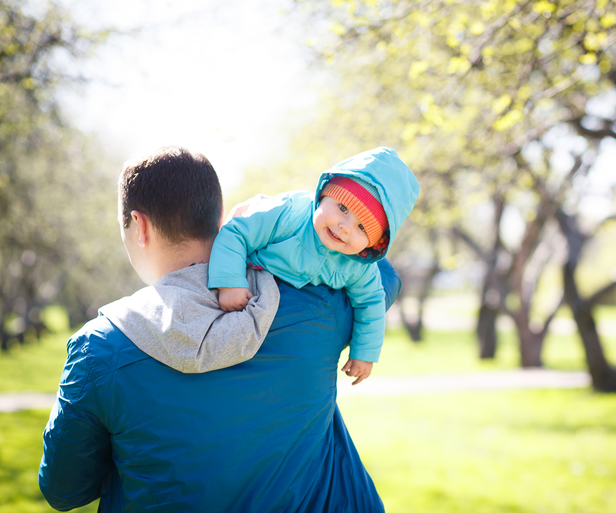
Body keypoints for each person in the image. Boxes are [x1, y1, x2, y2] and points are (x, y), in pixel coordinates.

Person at [38, 146, 400, 512]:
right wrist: (296, 222)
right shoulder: (322, 304)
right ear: (221, 217)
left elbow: (64, 490)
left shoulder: (99, 348)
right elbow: (383, 276)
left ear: (140, 226)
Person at [208, 147, 419, 385]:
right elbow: (236, 233)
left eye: (362, 227)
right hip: (256, 253)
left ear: (374, 243)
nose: (345, 227)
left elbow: (370, 301)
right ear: (324, 195)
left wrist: (364, 353)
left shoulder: (358, 265)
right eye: (342, 208)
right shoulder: (290, 215)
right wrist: (229, 283)